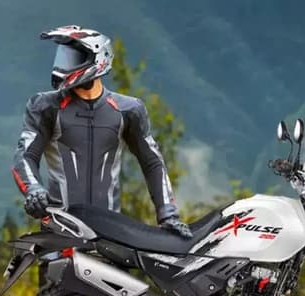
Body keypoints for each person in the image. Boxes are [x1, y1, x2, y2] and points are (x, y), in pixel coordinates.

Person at [11, 25, 191, 238]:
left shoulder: (128, 110)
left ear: (98, 58)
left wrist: (168, 215)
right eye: (62, 58)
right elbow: (25, 156)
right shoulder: (45, 107)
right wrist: (34, 189)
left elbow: (152, 162)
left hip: (110, 237)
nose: (62, 66)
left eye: (72, 59)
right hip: (60, 233)